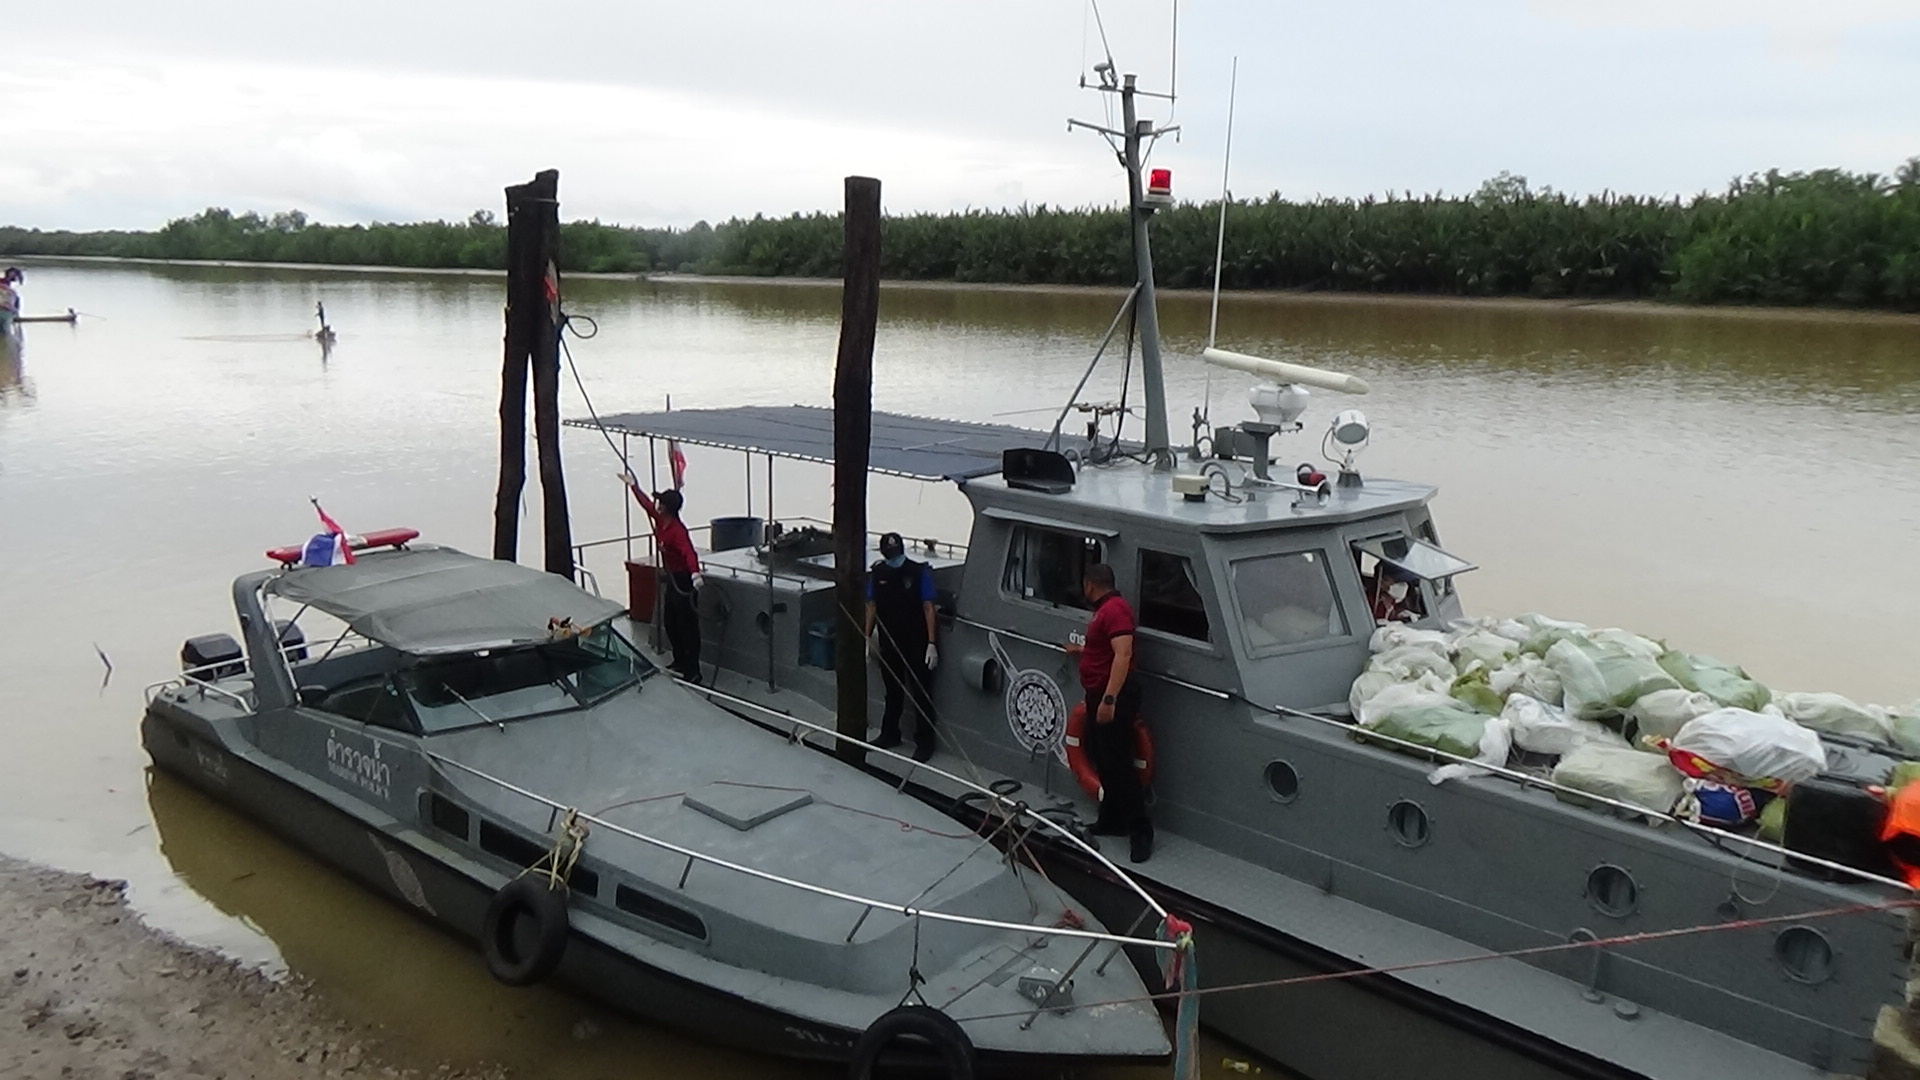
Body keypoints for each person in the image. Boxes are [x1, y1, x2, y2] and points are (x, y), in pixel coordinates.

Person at [1066, 562, 1151, 862]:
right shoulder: (1105, 611)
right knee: (1104, 759)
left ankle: (1141, 832)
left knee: (1119, 764)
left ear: (1090, 585)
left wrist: (1109, 700)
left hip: (1113, 695)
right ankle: (1112, 819)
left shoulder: (1115, 610)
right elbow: (1107, 649)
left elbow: (1123, 654)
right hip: (1098, 692)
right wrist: (1084, 652)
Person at [620, 471, 702, 682]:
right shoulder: (660, 521)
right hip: (671, 578)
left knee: (687, 625)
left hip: (683, 580)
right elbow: (646, 505)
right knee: (670, 621)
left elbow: (689, 553)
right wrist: (634, 486)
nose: (657, 504)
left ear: (666, 507)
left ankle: (693, 670)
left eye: (661, 502)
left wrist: (695, 573)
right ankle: (679, 659)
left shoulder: (677, 531)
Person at [866, 532, 939, 762]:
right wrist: (866, 636)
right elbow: (871, 606)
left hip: (917, 642)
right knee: (893, 691)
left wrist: (932, 643)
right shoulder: (878, 573)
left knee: (921, 693)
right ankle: (890, 734)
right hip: (889, 641)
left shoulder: (919, 572)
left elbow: (929, 607)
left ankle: (925, 743)